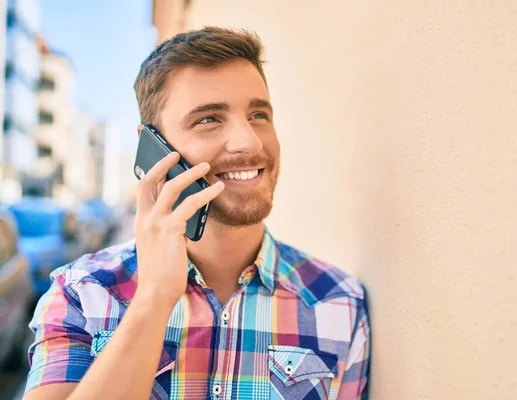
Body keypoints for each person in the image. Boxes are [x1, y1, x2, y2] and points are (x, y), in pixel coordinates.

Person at [23, 27, 370, 400]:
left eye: (258, 115)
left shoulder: (339, 303)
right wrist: (153, 299)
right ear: (152, 147)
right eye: (209, 119)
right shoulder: (80, 294)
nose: (249, 142)